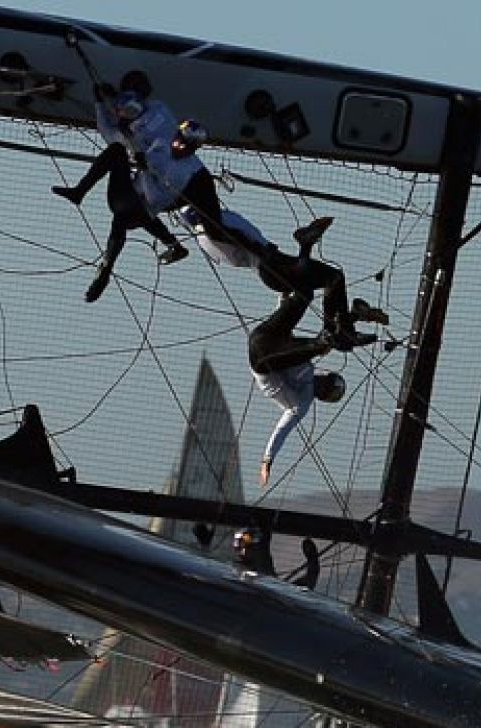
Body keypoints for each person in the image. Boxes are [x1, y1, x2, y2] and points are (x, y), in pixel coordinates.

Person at [52, 87, 190, 302]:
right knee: (127, 203)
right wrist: (99, 102)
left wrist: (146, 165)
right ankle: (170, 244)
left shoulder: (155, 135)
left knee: (127, 208)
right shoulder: (126, 133)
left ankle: (108, 266)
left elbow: (157, 170)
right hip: (136, 203)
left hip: (140, 201)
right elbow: (106, 128)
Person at [181, 205, 389, 348]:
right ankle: (342, 327)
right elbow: (234, 237)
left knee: (331, 279)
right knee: (330, 278)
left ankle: (343, 325)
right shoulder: (210, 228)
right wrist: (257, 249)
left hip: (271, 263)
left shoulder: (205, 234)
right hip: (270, 265)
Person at [249, 290, 376, 486]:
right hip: (265, 338)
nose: (323, 381)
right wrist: (283, 300)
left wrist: (267, 459)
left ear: (323, 394)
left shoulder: (302, 403)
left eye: (326, 386)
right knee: (305, 296)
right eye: (328, 380)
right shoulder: (307, 369)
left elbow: (282, 429)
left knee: (321, 346)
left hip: (262, 362)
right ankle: (353, 316)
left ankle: (353, 320)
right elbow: (285, 334)